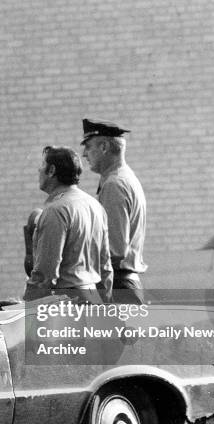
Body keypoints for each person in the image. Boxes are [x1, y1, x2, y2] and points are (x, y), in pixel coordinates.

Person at [23, 146, 112, 302]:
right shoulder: (95, 206)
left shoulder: (55, 210)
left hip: (68, 303)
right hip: (94, 298)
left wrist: (26, 304)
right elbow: (105, 266)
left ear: (51, 171)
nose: (38, 170)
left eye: (42, 165)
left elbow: (45, 273)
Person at [81, 118, 146, 304]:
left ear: (104, 147)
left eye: (88, 146)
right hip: (124, 285)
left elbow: (114, 249)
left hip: (117, 287)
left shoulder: (114, 184)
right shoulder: (124, 178)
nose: (84, 154)